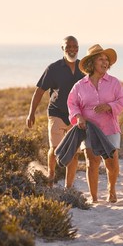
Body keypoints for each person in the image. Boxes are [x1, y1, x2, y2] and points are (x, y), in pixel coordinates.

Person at [67, 44, 123, 203]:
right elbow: (72, 103)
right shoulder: (79, 86)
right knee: (92, 162)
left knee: (111, 162)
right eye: (101, 59)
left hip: (110, 128)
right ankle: (94, 197)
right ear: (92, 63)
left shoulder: (114, 83)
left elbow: (122, 100)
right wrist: (78, 117)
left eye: (107, 60)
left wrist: (109, 106)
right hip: (89, 130)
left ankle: (111, 189)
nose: (105, 62)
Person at [26, 36, 85, 188]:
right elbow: (39, 92)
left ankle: (69, 187)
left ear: (78, 47)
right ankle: (51, 178)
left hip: (76, 115)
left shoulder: (84, 68)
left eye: (74, 46)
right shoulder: (53, 68)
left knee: (74, 152)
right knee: (56, 148)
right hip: (56, 112)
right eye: (68, 47)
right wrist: (31, 113)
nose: (72, 49)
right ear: (62, 49)